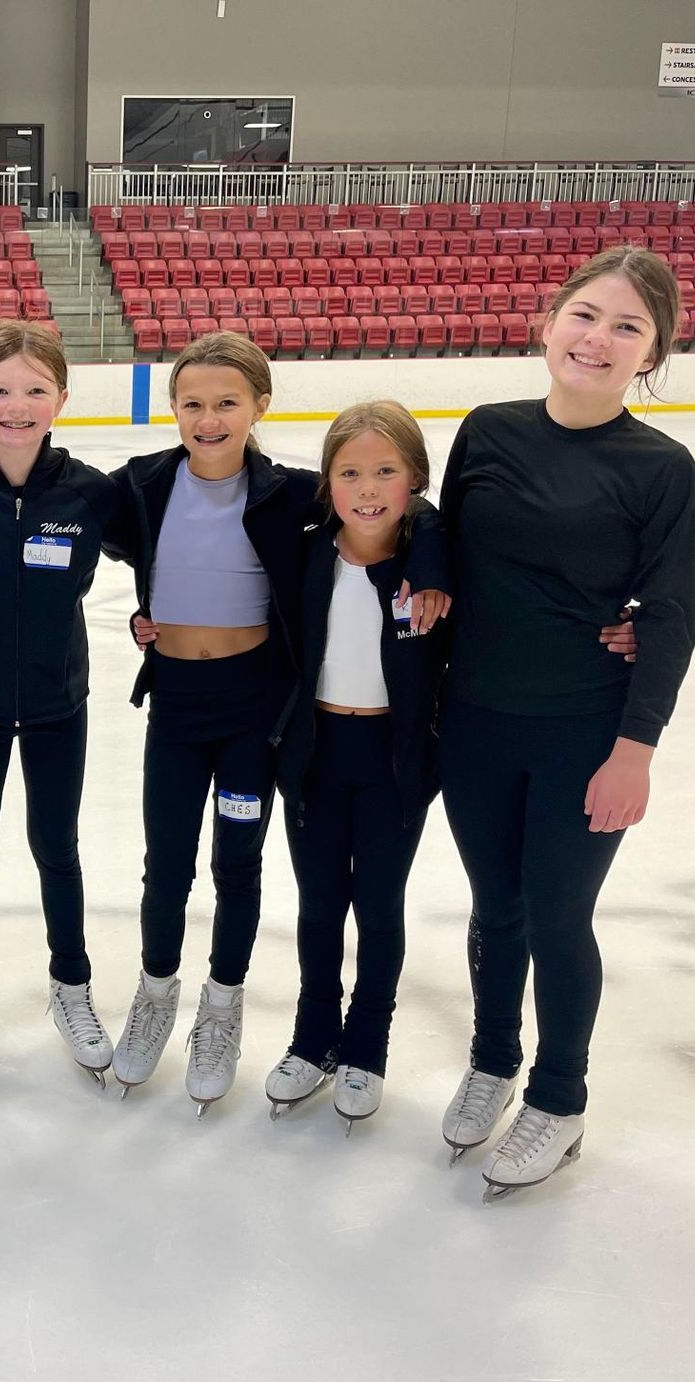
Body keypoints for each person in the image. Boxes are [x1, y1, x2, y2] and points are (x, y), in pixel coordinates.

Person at [109, 334, 451, 1116]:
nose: (209, 418)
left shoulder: (291, 496)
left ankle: (222, 1009)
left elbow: (402, 505)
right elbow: (63, 506)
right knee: (167, 863)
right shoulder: (143, 483)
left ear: (260, 405)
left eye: (228, 402)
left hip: (254, 716)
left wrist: (429, 559)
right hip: (178, 710)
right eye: (192, 403)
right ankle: (156, 994)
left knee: (239, 864)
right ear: (172, 409)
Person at [437, 246, 695, 1199]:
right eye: (586, 315)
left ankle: (559, 1100)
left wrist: (636, 750)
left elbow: (669, 617)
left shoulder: (662, 470)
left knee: (557, 914)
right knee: (494, 906)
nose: (599, 338)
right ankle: (493, 1060)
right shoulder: (487, 431)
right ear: (549, 322)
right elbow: (443, 555)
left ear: (652, 354)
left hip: (582, 731)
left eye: (628, 327)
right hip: (473, 721)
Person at [0, 320, 133, 1092]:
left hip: (56, 703)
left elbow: (155, 550)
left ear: (61, 399)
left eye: (35, 390)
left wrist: (155, 614)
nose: (17, 405)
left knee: (57, 848)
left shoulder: (89, 493)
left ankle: (71, 985)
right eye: (0, 389)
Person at [263, 402, 451, 1132]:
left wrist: (428, 546)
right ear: (327, 482)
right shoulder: (308, 550)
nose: (367, 489)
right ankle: (313, 1036)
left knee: (377, 904)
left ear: (415, 479)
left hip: (392, 760)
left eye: (385, 472)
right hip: (314, 752)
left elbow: (435, 521)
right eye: (348, 473)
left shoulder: (433, 565)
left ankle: (367, 1043)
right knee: (318, 904)